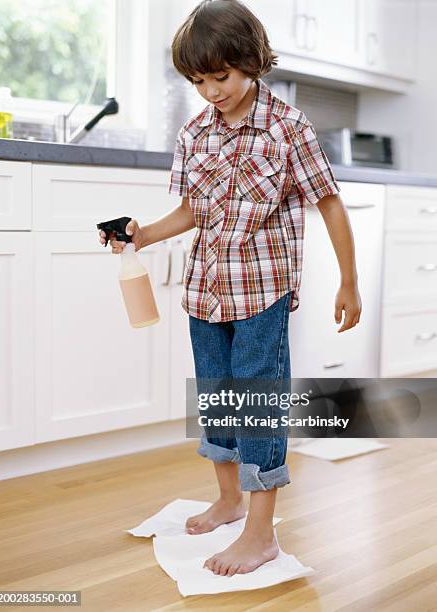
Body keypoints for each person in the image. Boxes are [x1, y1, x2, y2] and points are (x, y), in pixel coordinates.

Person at [99, 0, 361, 578]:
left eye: (221, 76)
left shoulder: (290, 128)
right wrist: (140, 234)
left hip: (262, 291)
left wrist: (349, 280)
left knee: (257, 403)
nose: (211, 91)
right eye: (199, 81)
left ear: (252, 61)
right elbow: (190, 211)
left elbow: (330, 204)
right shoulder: (195, 134)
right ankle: (227, 499)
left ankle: (261, 534)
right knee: (217, 396)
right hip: (204, 291)